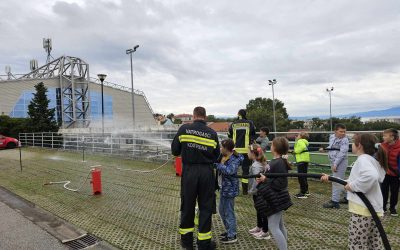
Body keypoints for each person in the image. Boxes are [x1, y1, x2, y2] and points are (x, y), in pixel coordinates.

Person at [321, 133, 387, 249]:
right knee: (374, 244)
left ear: (359, 145)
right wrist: (332, 179)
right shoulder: (371, 160)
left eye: (353, 142)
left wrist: (352, 187)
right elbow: (350, 183)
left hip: (362, 212)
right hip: (373, 211)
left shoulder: (362, 160)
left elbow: (370, 177)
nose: (351, 144)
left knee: (357, 245)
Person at [171, 106, 220, 250]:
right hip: (206, 173)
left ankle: (187, 243)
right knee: (205, 208)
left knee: (188, 206)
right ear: (205, 117)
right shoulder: (212, 133)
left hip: (189, 172)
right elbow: (217, 156)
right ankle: (204, 244)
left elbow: (175, 150)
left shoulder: (184, 129)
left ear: (193, 116)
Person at [255, 137, 293, 250]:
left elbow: (281, 183)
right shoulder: (276, 161)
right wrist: (263, 178)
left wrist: (265, 180)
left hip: (275, 199)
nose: (270, 146)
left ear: (275, 148)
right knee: (280, 225)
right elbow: (272, 177)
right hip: (274, 198)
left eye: (272, 144)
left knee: (273, 226)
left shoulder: (278, 163)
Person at [215, 139, 243, 244]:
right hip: (223, 188)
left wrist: (218, 165)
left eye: (222, 147)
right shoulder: (222, 156)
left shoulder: (234, 159)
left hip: (230, 190)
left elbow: (230, 171)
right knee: (222, 211)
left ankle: (232, 235)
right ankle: (229, 230)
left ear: (227, 148)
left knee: (229, 212)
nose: (220, 149)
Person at [320, 124, 349, 209]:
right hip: (333, 161)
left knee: (336, 181)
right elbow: (331, 147)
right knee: (340, 180)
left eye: (344, 131)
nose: (343, 133)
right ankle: (347, 197)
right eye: (341, 131)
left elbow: (342, 153)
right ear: (335, 131)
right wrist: (325, 149)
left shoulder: (345, 140)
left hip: (341, 162)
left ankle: (334, 202)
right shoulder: (332, 137)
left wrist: (335, 164)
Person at [228, 109, 256, 195]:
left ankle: (233, 188)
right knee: (245, 171)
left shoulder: (233, 124)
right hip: (246, 151)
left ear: (238, 114)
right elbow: (253, 134)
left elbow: (229, 134)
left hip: (235, 151)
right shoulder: (250, 123)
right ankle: (244, 191)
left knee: (233, 170)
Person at [247, 143, 271, 240]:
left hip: (258, 192)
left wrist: (252, 190)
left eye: (248, 152)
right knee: (259, 210)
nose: (247, 154)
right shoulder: (258, 163)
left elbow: (256, 181)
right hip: (260, 191)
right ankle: (259, 226)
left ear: (253, 153)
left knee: (262, 211)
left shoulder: (256, 165)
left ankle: (265, 231)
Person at [380, 128, 400, 216]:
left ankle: (392, 208)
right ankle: (383, 207)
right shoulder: (382, 145)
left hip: (396, 174)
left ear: (392, 137)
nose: (383, 137)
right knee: (383, 190)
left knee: (394, 191)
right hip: (384, 173)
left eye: (385, 135)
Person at [290, 132, 310, 199]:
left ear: (301, 136)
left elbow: (302, 147)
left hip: (301, 160)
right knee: (304, 176)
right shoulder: (305, 141)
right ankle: (306, 191)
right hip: (305, 160)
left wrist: (295, 151)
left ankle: (303, 193)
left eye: (298, 135)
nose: (297, 136)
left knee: (301, 177)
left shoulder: (300, 141)